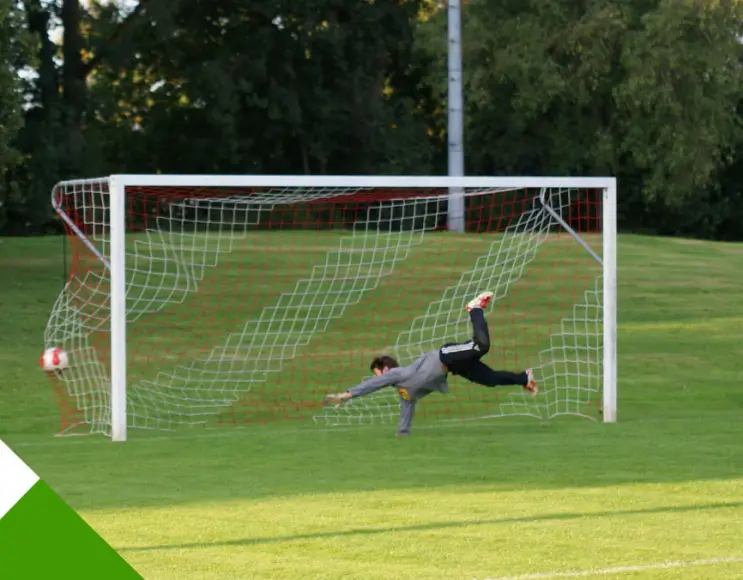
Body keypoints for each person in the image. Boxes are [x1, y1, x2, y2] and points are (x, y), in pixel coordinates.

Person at [323, 291, 538, 435]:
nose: (379, 377)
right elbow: (407, 410)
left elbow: (372, 385)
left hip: (446, 356)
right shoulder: (404, 390)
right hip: (455, 367)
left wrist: (347, 395)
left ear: (386, 369)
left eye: (377, 372)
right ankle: (524, 378)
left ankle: (475, 309)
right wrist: (402, 436)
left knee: (481, 346)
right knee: (490, 380)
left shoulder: (397, 375)